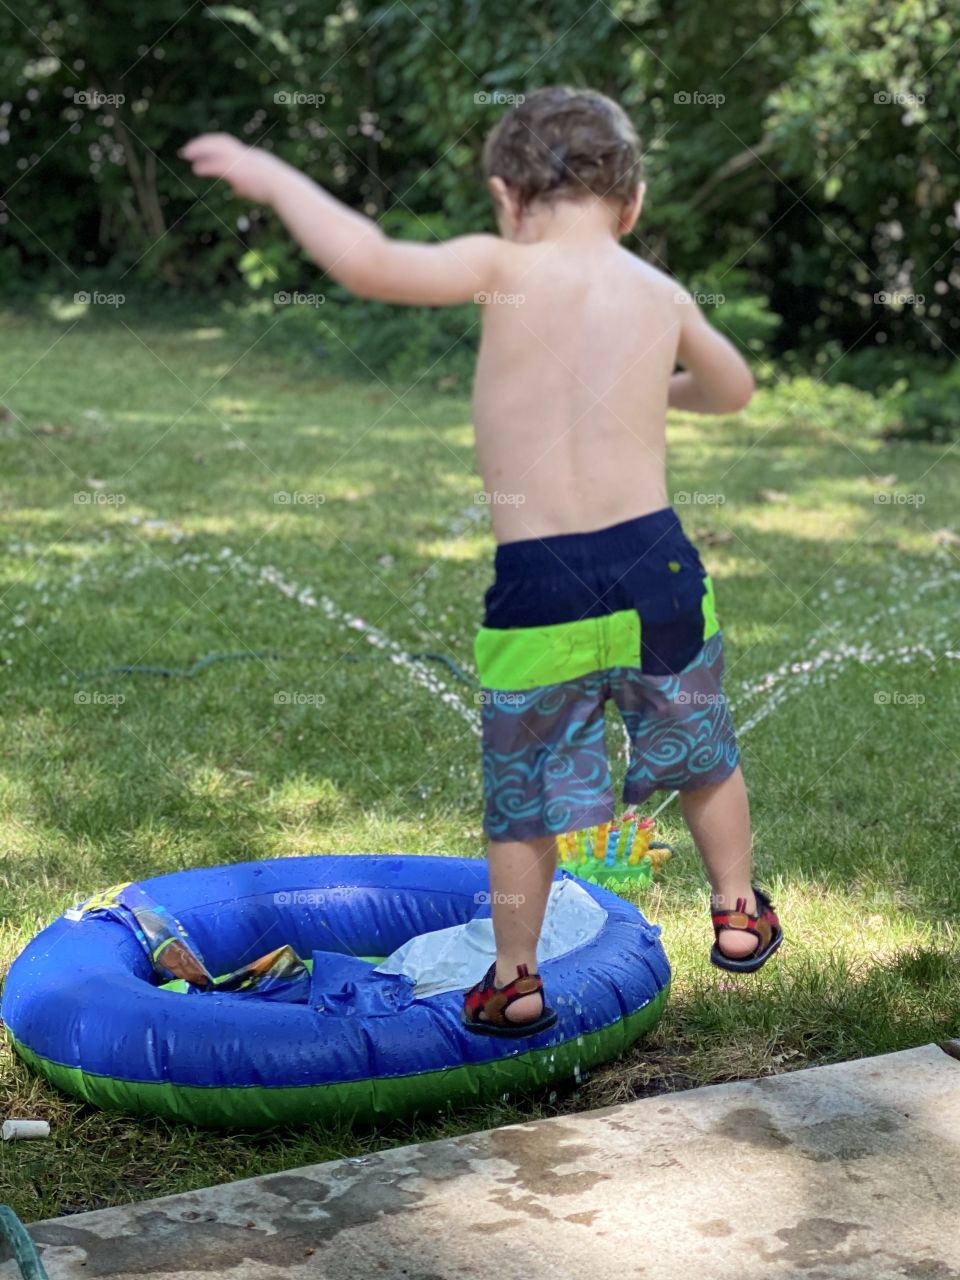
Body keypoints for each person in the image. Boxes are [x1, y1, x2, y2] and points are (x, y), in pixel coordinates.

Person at [181, 84, 783, 1040]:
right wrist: (653, 392)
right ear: (632, 205)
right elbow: (736, 386)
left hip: (540, 583)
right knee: (699, 749)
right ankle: (739, 910)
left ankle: (515, 978)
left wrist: (270, 175)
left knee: (527, 799)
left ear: (507, 195)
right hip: (659, 565)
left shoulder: (503, 263)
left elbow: (370, 262)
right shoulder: (656, 290)